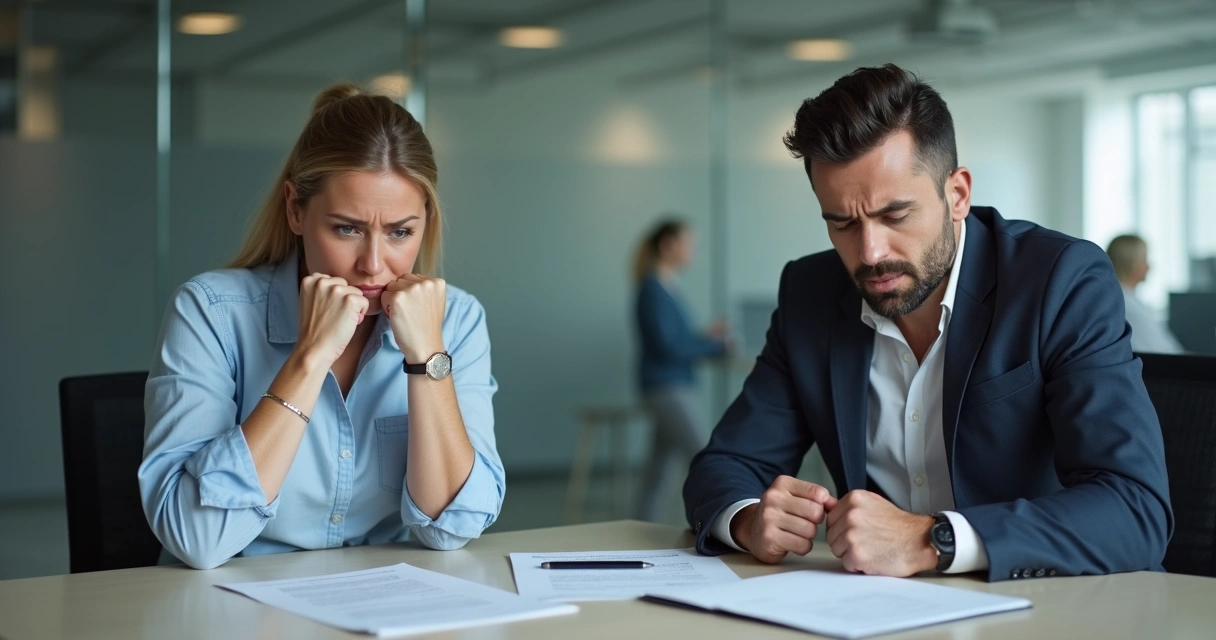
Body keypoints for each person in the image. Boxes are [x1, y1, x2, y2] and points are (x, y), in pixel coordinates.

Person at [683, 64, 1172, 582]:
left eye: (895, 216)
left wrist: (932, 539)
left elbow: (1134, 508)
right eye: (843, 223)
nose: (870, 253)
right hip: (882, 610)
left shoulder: (1059, 281)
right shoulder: (811, 294)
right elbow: (723, 466)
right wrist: (749, 519)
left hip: (1059, 603)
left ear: (957, 195)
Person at [138, 84, 504, 570]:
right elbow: (197, 538)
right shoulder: (211, 311)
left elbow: (452, 528)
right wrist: (309, 359)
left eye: (400, 232)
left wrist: (427, 358)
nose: (374, 264)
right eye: (347, 228)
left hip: (387, 605)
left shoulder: (456, 319)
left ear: (425, 223)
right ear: (295, 209)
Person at [633, 219, 728, 522]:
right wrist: (713, 346)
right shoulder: (653, 290)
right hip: (666, 387)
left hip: (672, 384)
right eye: (688, 244)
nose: (693, 251)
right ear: (668, 245)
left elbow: (678, 340)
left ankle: (640, 525)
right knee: (703, 454)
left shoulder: (666, 287)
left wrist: (705, 338)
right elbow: (669, 347)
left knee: (658, 470)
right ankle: (719, 522)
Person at [1106, 234, 1186, 354]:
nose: (1149, 266)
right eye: (1144, 259)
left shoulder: (1123, 298)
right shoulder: (1126, 305)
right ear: (1131, 262)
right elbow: (1162, 351)